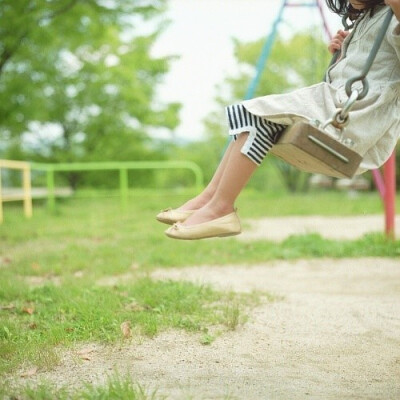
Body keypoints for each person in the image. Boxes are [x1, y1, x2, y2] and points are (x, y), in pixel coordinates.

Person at [157, 0, 400, 240]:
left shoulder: (393, 15)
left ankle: (221, 207)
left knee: (258, 113)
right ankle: (210, 198)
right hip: (334, 107)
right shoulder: (369, 18)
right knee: (250, 117)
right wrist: (341, 54)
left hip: (356, 120)